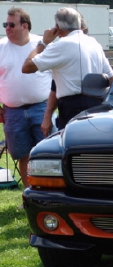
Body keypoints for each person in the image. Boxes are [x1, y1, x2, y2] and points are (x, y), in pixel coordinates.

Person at [22, 7, 113, 130]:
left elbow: (27, 67)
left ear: (58, 27)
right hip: (98, 105)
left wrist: (43, 43)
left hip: (71, 107)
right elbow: (111, 77)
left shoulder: (60, 46)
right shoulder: (94, 43)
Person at [0, 7, 52, 187]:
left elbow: (57, 76)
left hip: (41, 108)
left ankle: (48, 194)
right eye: (5, 24)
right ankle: (29, 196)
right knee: (23, 155)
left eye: (11, 24)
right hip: (12, 112)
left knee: (47, 153)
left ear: (25, 26)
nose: (7, 28)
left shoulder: (43, 44)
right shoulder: (1, 46)